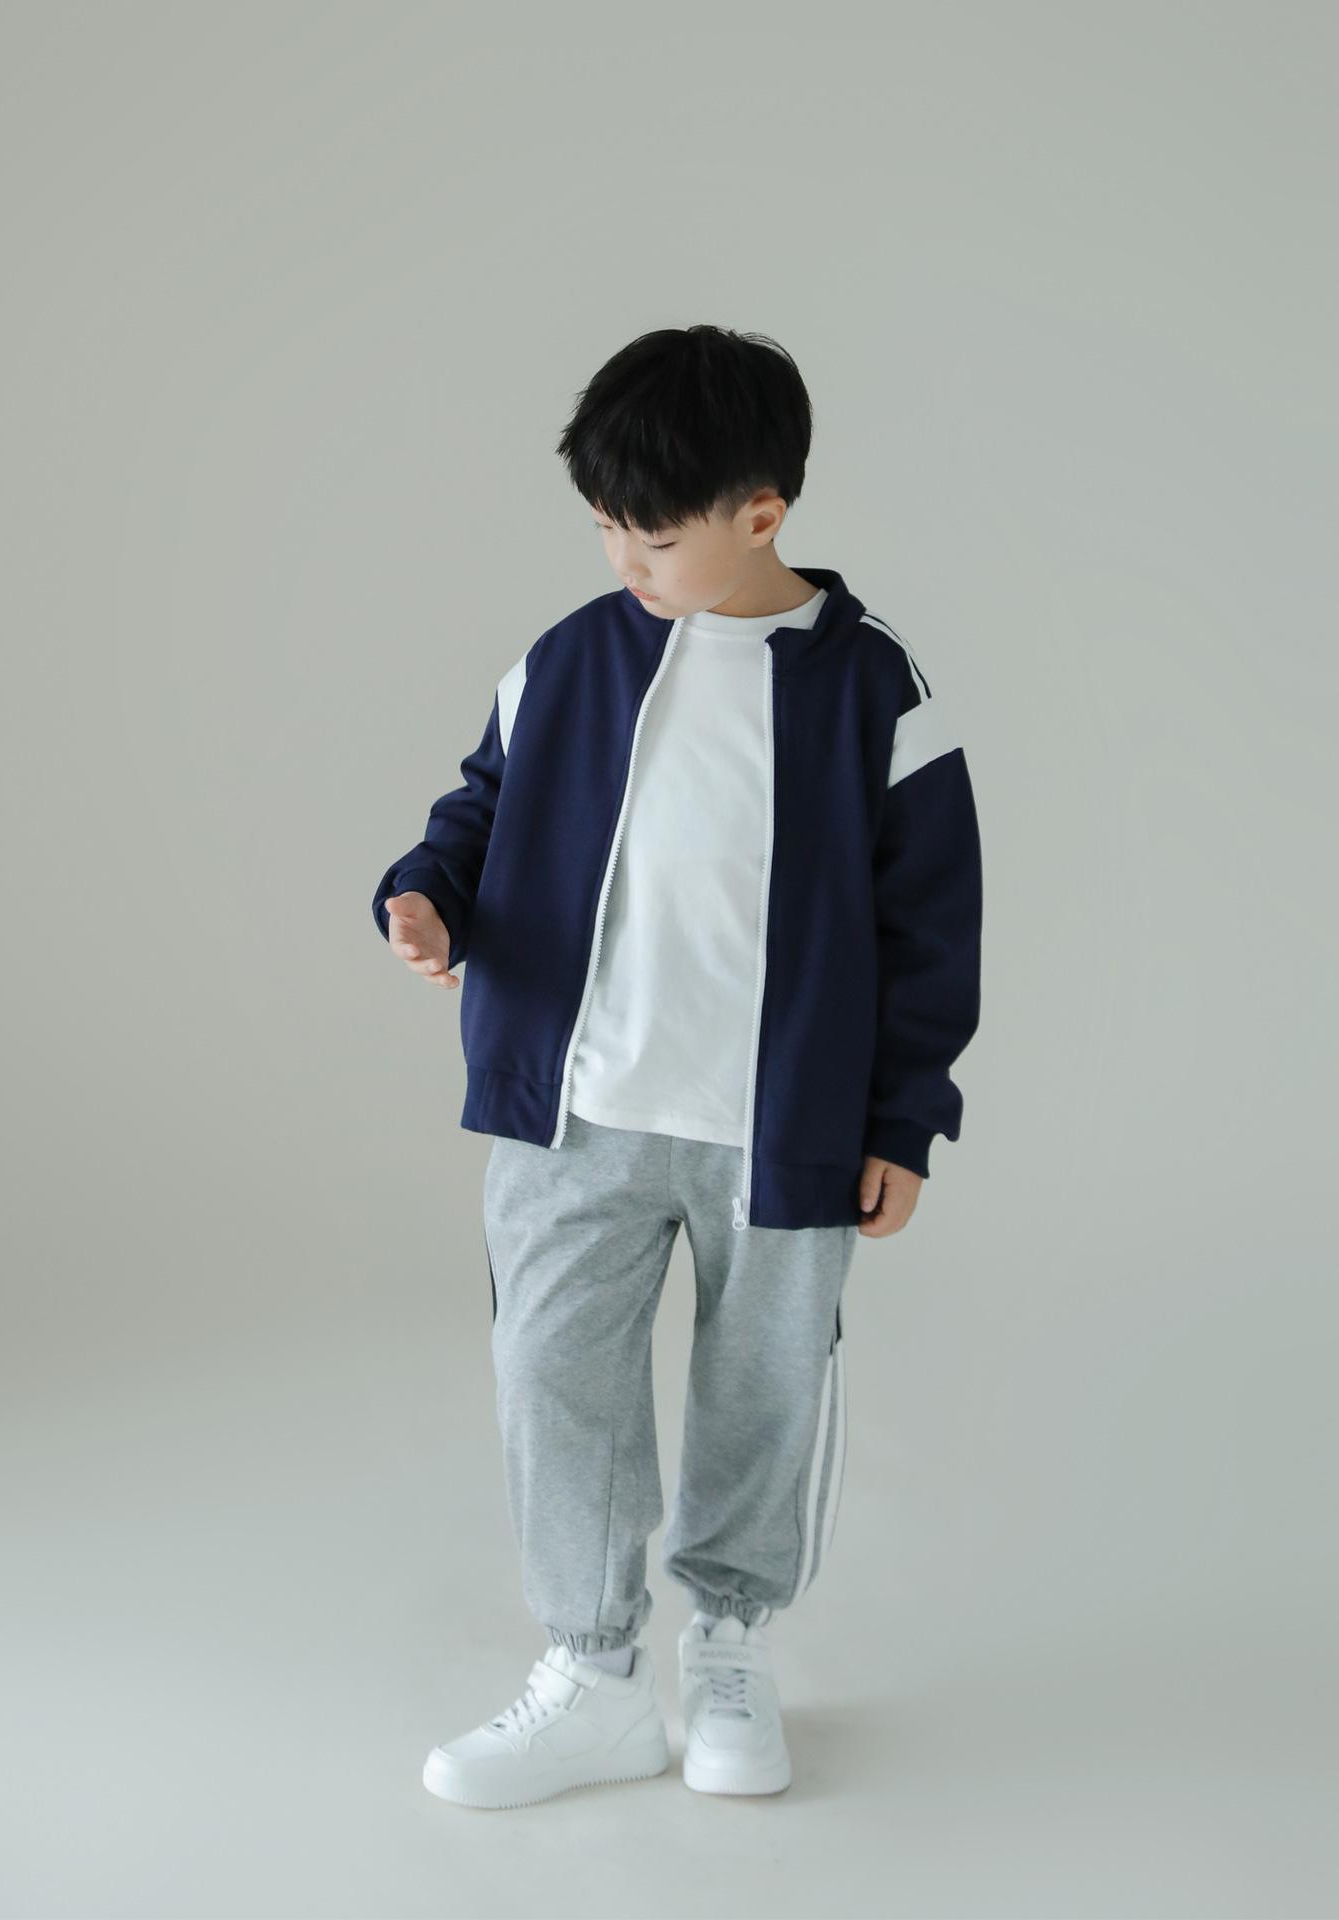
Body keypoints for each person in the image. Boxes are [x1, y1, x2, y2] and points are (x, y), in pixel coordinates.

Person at [371, 325, 984, 1809]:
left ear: (762, 513)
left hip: (781, 1128)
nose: (623, 560)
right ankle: (591, 1676)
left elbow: (933, 923)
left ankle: (730, 1648)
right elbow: (479, 806)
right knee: (553, 1376)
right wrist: (429, 892)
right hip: (570, 1113)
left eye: (652, 536)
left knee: (762, 1394)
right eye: (605, 529)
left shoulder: (874, 690)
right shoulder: (569, 659)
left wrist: (905, 1118)